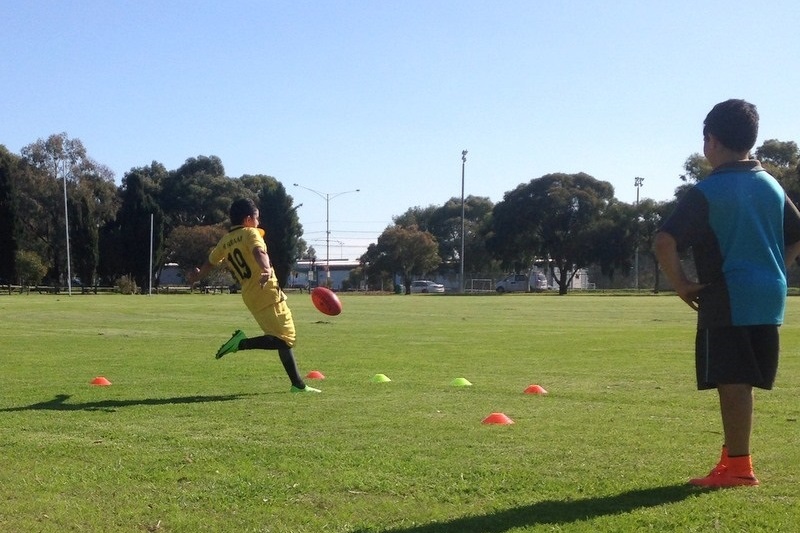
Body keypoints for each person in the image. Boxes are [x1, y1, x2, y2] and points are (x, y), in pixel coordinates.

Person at [654, 99, 800, 487]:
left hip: (729, 294)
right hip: (770, 296)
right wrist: (776, 269)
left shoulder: (709, 189)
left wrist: (681, 284)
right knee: (741, 379)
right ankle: (730, 459)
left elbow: (664, 240)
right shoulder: (770, 183)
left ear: (710, 141)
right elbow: (797, 234)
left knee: (732, 380)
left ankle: (739, 467)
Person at [188, 198, 321, 394]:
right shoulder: (251, 233)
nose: (259, 222)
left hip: (250, 295)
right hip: (266, 291)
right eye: (257, 218)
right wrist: (266, 269)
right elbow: (259, 251)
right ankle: (240, 344)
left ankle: (297, 385)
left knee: (280, 336)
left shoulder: (226, 240)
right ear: (248, 219)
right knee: (286, 339)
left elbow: (211, 261)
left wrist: (197, 276)